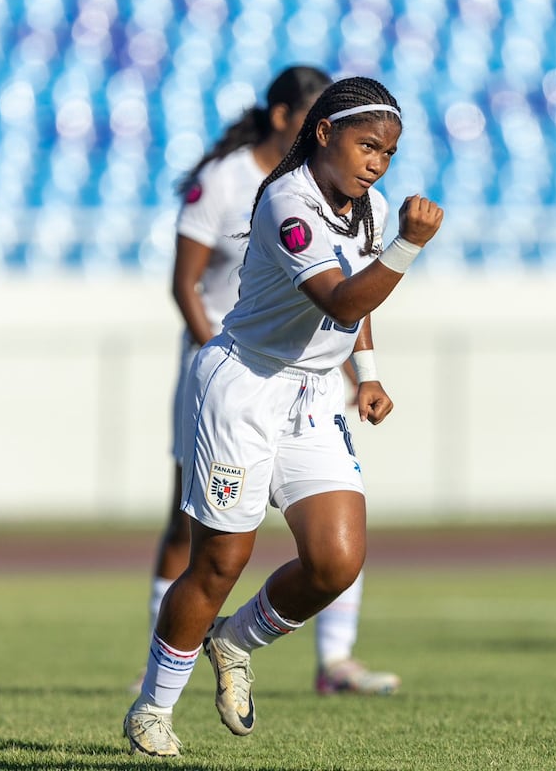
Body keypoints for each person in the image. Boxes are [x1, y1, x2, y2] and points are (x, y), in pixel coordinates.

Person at [123, 76, 442, 757]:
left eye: (387, 153)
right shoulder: (286, 200)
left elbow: (359, 303)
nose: (376, 163)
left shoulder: (372, 206)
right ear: (323, 132)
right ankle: (152, 708)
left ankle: (234, 642)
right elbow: (341, 300)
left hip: (314, 392)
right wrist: (409, 248)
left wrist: (370, 374)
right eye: (366, 146)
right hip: (244, 384)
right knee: (219, 563)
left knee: (336, 561)